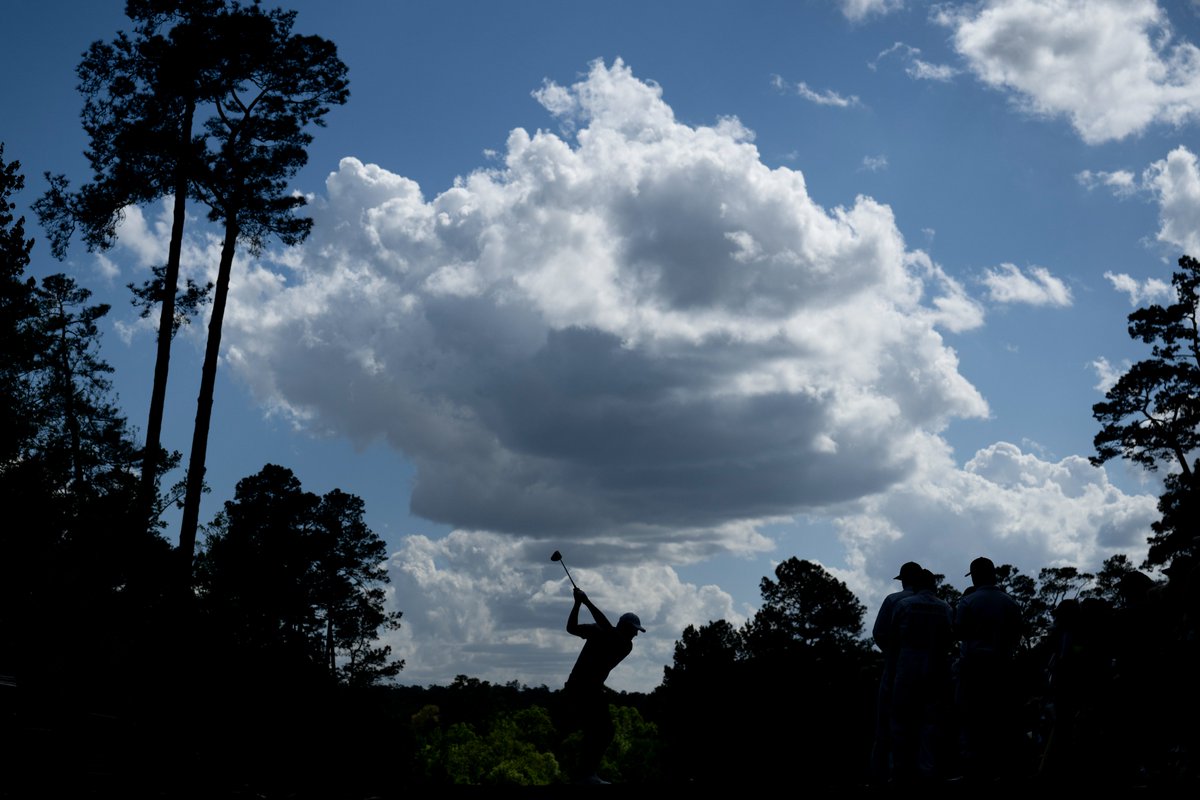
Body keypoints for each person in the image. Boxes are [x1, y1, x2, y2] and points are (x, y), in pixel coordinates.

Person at [564, 586, 644, 784]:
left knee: (600, 731)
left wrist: (585, 601)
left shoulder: (625, 645)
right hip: (581, 688)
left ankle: (585, 773)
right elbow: (571, 628)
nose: (635, 635)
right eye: (634, 630)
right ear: (624, 627)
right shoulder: (601, 631)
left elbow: (607, 630)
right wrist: (577, 604)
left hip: (586, 689)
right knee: (603, 731)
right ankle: (586, 774)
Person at [953, 556, 1022, 783]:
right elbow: (1016, 636)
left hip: (974, 667)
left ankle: (974, 770)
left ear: (973, 576)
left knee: (972, 719)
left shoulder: (969, 602)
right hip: (1002, 666)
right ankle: (1001, 768)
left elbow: (959, 632)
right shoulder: (1010, 602)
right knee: (1000, 718)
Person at [890, 568, 955, 784]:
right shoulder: (944, 607)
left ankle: (901, 770)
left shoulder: (903, 605)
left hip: (908, 665)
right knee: (931, 720)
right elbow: (950, 637)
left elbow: (891, 637)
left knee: (902, 719)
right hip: (936, 667)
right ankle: (928, 769)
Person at [870, 561, 922, 783]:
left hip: (895, 668)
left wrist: (893, 653)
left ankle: (883, 775)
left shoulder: (893, 600)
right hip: (928, 672)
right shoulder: (937, 603)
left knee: (887, 725)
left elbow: (878, 632)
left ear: (902, 581)